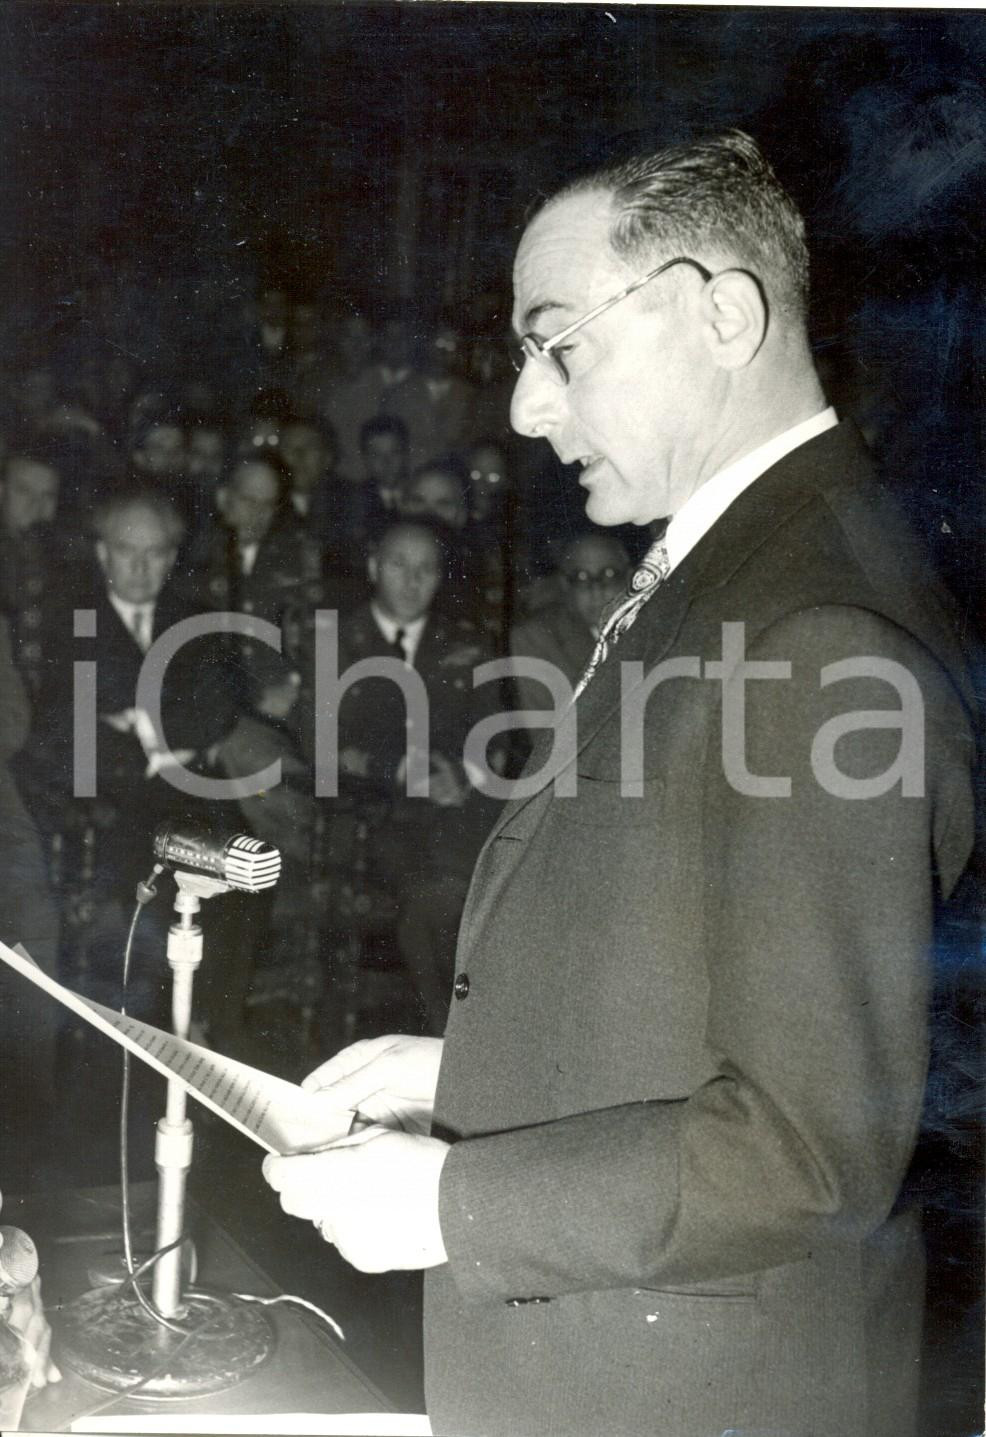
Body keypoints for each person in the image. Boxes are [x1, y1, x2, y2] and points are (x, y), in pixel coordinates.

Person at [263, 132, 977, 1436]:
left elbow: (806, 1152)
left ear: (721, 313)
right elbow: (688, 957)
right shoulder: (750, 567)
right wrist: (473, 1079)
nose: (525, 408)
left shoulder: (817, 628)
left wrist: (445, 1199)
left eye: (560, 348)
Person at [509, 532, 630, 711]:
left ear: (630, 578)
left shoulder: (657, 624)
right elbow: (548, 732)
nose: (596, 590)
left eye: (609, 574)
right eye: (581, 577)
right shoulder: (535, 640)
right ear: (565, 585)